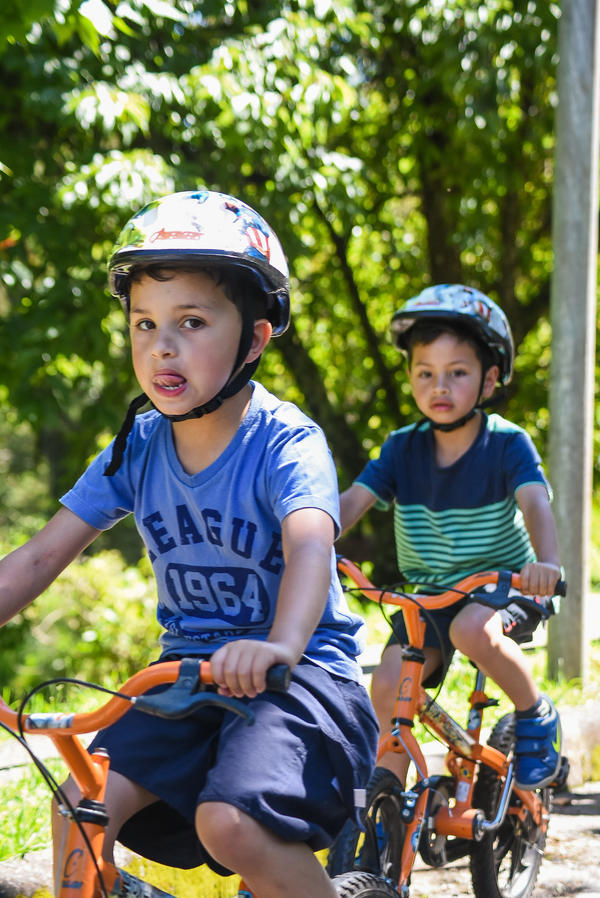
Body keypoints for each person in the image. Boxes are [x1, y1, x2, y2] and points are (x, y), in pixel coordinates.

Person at [0, 190, 378, 898]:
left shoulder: (286, 443)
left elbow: (309, 550)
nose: (161, 346)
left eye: (192, 322)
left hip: (303, 681)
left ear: (255, 340)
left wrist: (280, 646)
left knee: (229, 824)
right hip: (185, 683)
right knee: (79, 806)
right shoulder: (136, 448)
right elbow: (38, 557)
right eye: (144, 324)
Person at [339, 283, 563, 791]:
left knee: (471, 630)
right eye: (425, 374)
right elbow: (353, 501)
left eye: (456, 374)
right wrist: (309, 537)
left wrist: (546, 564)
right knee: (389, 679)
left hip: (507, 586)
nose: (439, 386)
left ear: (488, 382)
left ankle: (535, 712)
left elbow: (535, 504)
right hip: (433, 596)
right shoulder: (402, 448)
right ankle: (384, 798)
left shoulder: (506, 443)